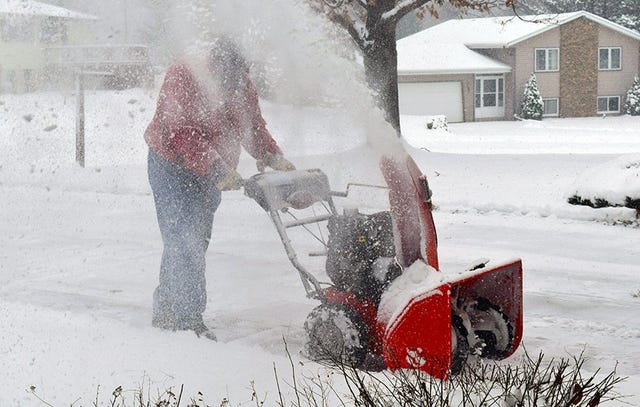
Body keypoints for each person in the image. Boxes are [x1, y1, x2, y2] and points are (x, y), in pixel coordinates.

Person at [144, 37, 295, 339]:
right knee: (183, 240)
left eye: (240, 77)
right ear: (215, 65)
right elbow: (180, 132)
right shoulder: (184, 75)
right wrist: (217, 169)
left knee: (194, 241)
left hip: (213, 171)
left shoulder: (241, 82)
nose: (233, 85)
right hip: (171, 166)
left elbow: (252, 127)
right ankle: (188, 322)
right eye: (229, 78)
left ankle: (167, 308)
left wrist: (273, 156)